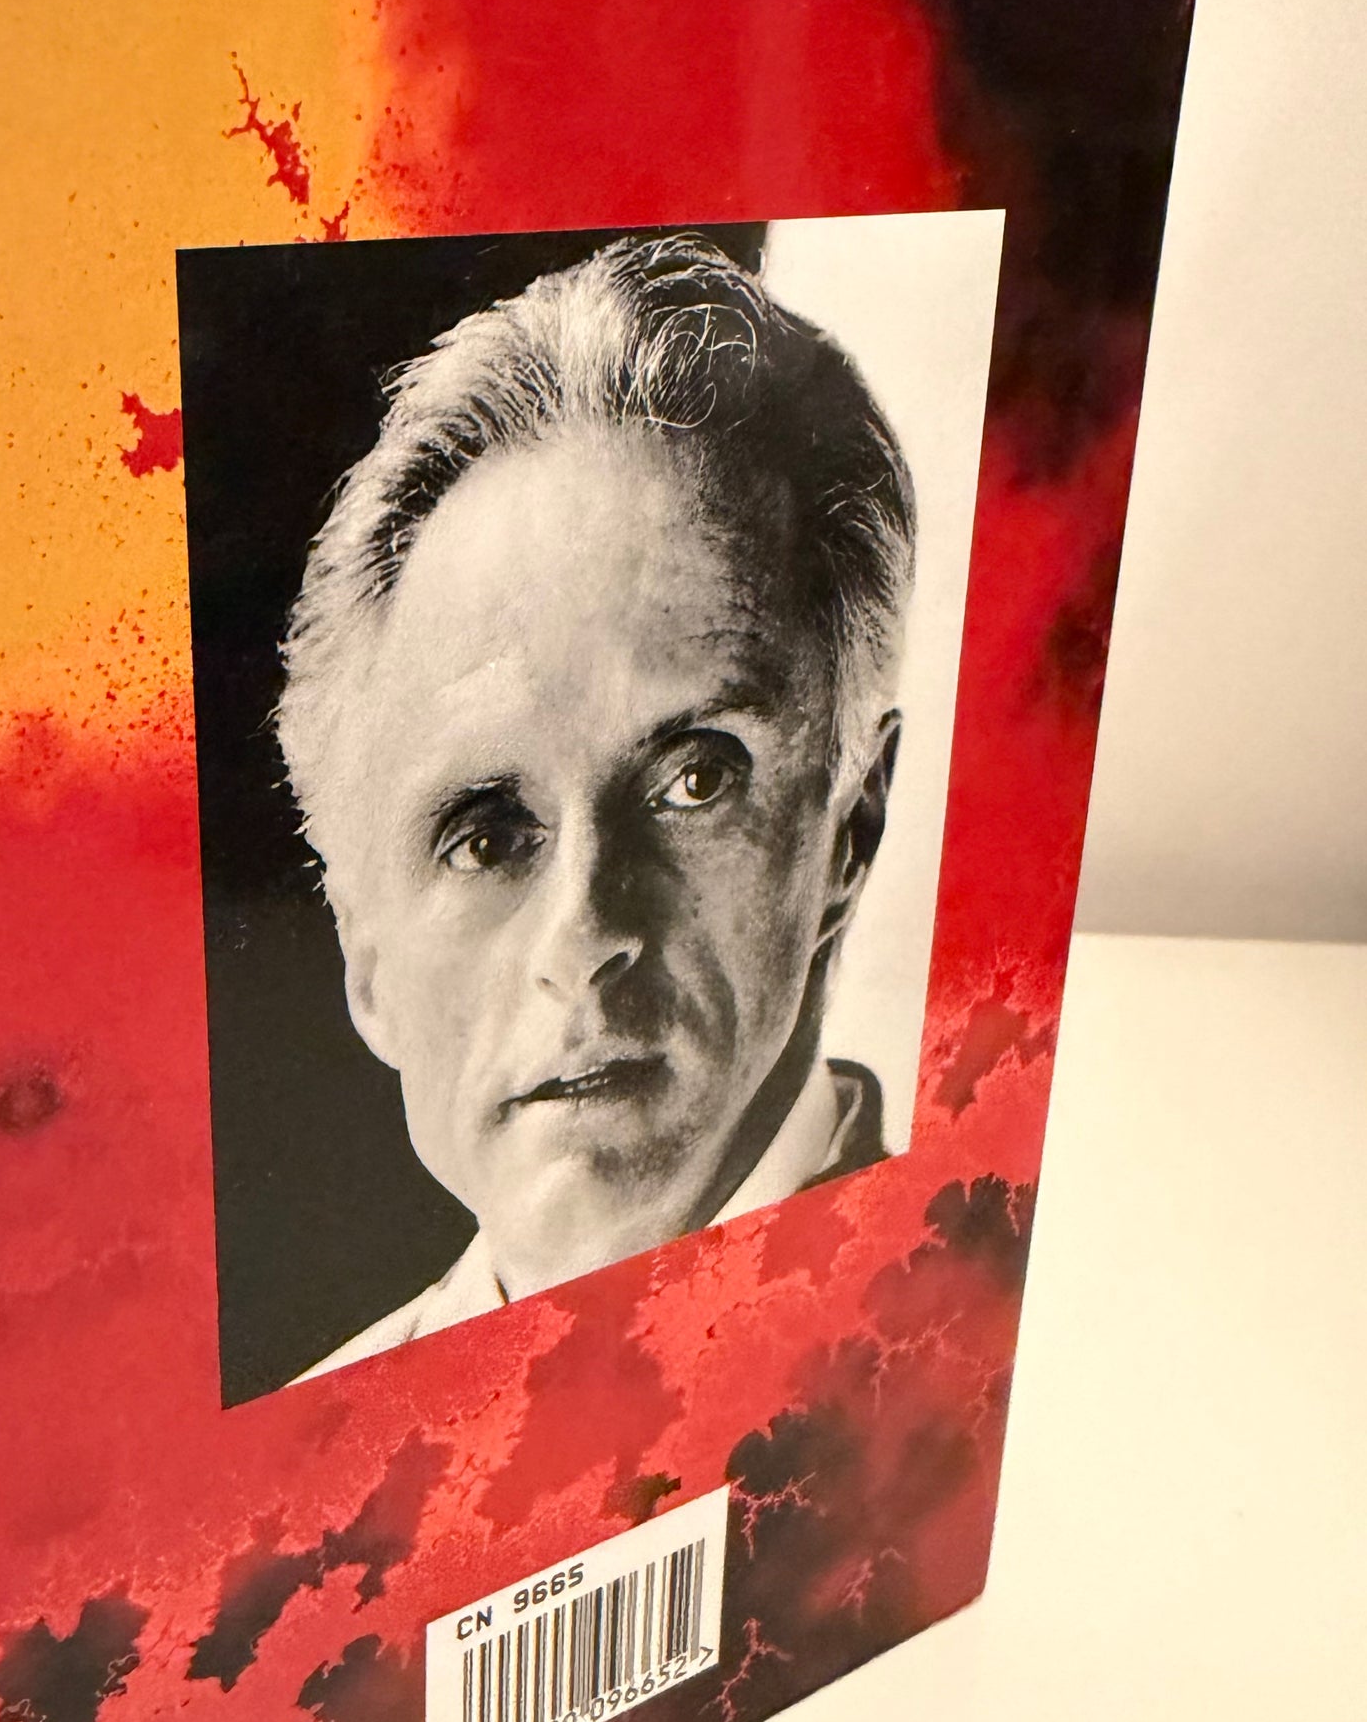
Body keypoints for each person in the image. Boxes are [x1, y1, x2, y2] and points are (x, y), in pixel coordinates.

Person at [276, 232, 913, 1378]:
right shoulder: (290, 1461)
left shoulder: (948, 1335)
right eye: (485, 837)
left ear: (849, 827)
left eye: (693, 779)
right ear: (365, 965)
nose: (582, 938)